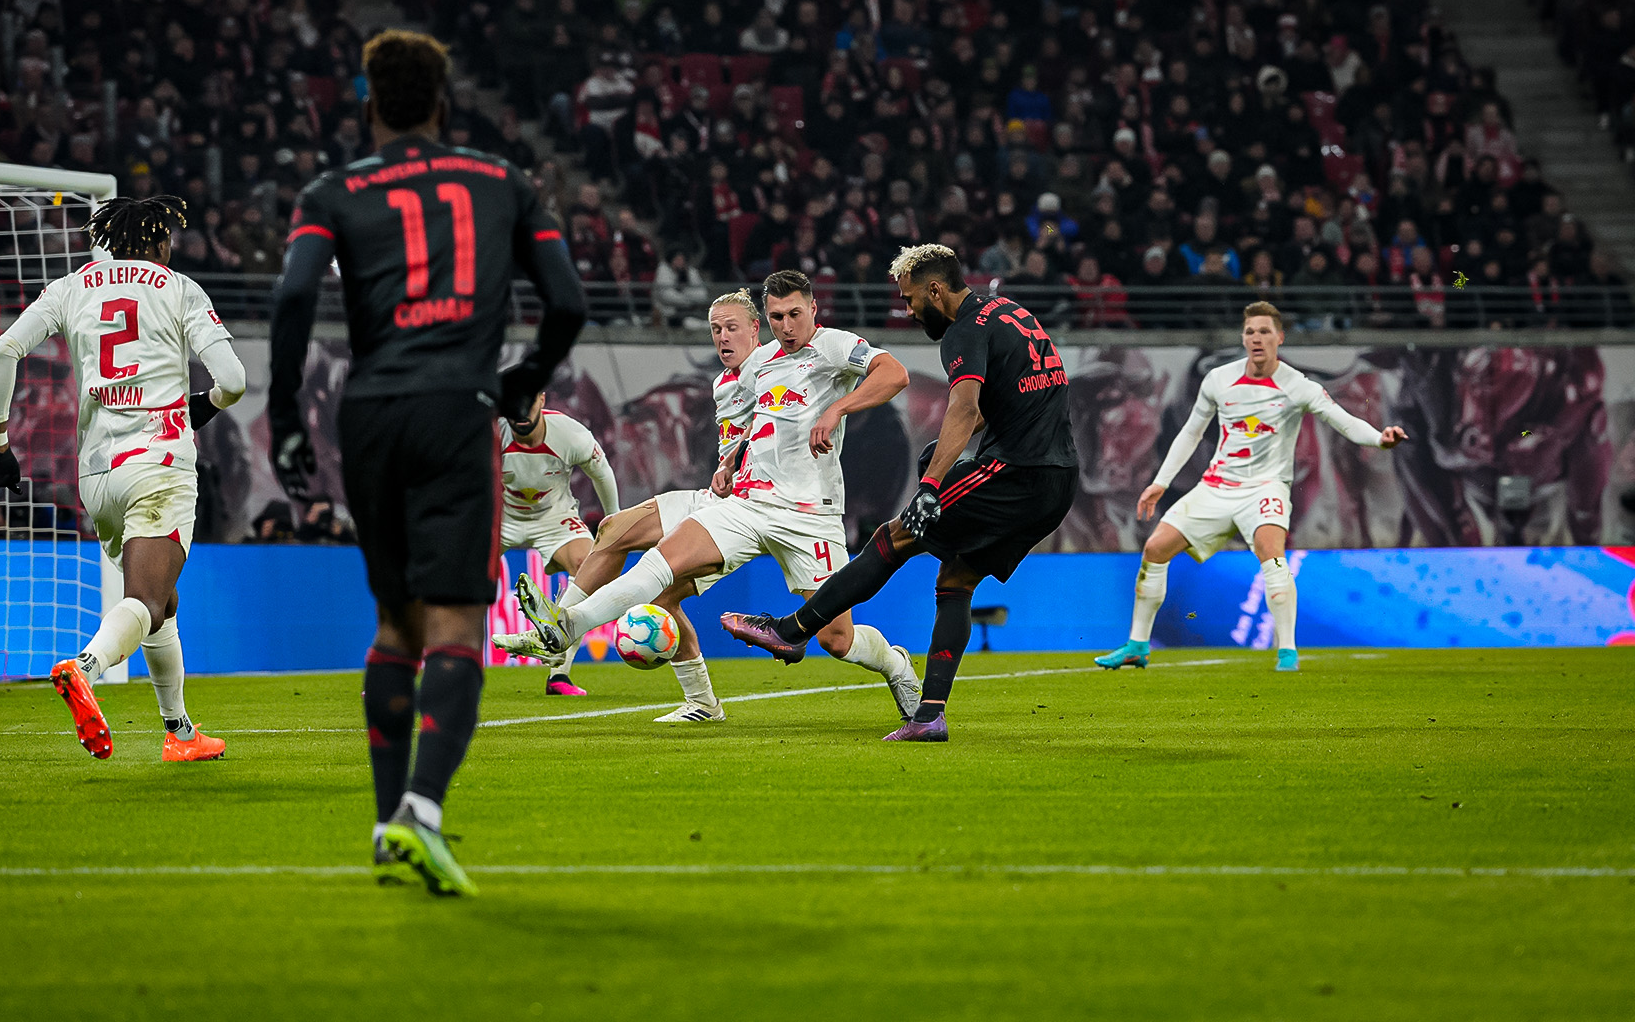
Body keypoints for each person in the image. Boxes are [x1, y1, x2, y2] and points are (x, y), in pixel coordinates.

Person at [265, 31, 586, 897]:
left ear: (368, 103)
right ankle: (424, 815)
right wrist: (523, 378)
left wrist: (284, 413)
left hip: (369, 415)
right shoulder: (503, 182)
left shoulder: (331, 190)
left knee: (394, 625)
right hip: (455, 410)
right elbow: (567, 301)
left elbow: (294, 294)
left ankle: (384, 827)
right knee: (452, 627)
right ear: (446, 102)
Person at [506, 271, 921, 719]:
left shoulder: (833, 346)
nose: (786, 326)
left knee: (837, 640)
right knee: (659, 566)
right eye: (777, 316)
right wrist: (727, 465)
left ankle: (895, 664)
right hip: (747, 505)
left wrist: (839, 406)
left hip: (810, 518)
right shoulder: (758, 366)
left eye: (794, 314)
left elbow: (894, 374)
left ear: (813, 310)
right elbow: (751, 424)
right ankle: (567, 626)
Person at [720, 245, 1078, 743]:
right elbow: (991, 409)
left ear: (936, 290)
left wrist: (931, 485)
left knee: (894, 537)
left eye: (911, 299)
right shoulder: (1013, 313)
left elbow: (963, 404)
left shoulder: (963, 330)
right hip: (1057, 481)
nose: (908, 310)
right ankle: (929, 716)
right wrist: (945, 454)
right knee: (955, 579)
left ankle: (792, 629)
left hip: (1013, 473)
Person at [0, 195, 245, 762]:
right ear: (155, 241)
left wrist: (0, 443)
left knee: (162, 601)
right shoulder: (179, 288)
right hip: (158, 463)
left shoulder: (72, 286)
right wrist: (209, 401)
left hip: (98, 476)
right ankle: (85, 669)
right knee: (146, 597)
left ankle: (180, 733)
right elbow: (235, 379)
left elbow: (3, 351)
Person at [1092, 302, 1407, 674]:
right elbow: (1191, 432)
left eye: (1264, 332)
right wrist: (1160, 482)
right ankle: (1137, 646)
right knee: (1156, 549)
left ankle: (1287, 652)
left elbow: (1344, 421)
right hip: (1216, 486)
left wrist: (1378, 439)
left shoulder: (1298, 386)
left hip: (1266, 488)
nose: (1256, 339)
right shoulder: (1218, 380)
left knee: (1271, 552)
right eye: (1250, 332)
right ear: (1244, 338)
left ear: (1279, 338)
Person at [498, 391, 620, 697]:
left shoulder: (571, 434)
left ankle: (559, 674)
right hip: (498, 517)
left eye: (528, 401)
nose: (521, 410)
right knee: (448, 580)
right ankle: (410, 673)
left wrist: (615, 521)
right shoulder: (487, 433)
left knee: (590, 567)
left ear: (541, 398)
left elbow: (601, 473)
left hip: (555, 518)